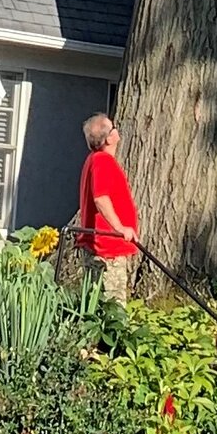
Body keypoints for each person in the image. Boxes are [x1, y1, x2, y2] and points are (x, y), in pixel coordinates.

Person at [75, 110, 140, 302]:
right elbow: (101, 198)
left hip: (101, 245)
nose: (117, 130)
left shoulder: (94, 161)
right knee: (113, 305)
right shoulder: (103, 161)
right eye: (113, 128)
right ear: (108, 139)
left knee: (95, 301)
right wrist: (119, 227)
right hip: (107, 249)